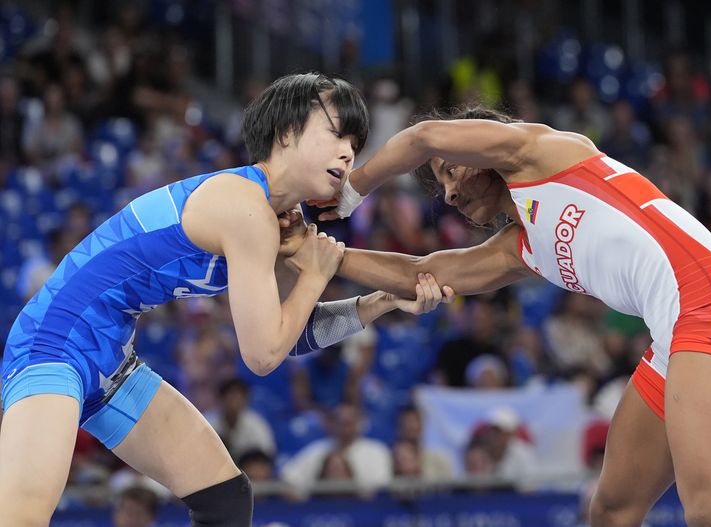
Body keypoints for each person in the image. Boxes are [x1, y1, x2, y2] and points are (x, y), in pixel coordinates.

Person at [0, 72, 453, 527]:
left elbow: (288, 334)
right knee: (22, 519)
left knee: (224, 499)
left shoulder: (272, 215)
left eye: (354, 143)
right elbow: (263, 355)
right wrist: (315, 276)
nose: (349, 153)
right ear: (286, 133)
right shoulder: (246, 209)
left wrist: (379, 302)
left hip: (111, 362)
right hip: (53, 348)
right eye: (337, 133)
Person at [318, 105, 711, 527]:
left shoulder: (543, 152)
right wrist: (321, 253)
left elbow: (425, 136)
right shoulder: (523, 247)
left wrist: (351, 189)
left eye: (451, 171)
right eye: (442, 188)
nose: (451, 194)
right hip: (676, 332)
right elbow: (421, 272)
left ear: (479, 147)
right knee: (612, 511)